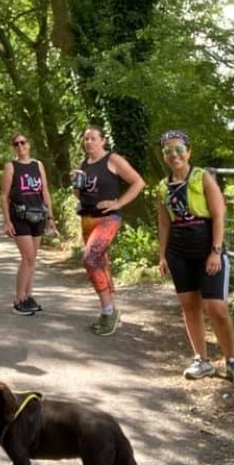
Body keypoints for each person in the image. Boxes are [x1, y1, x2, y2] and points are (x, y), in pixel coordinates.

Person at [156, 129, 234, 383]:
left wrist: (216, 251)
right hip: (179, 253)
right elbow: (164, 224)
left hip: (207, 250)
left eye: (178, 149)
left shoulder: (202, 177)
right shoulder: (163, 187)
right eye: (168, 150)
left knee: (216, 308)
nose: (173, 155)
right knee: (190, 307)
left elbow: (219, 214)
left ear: (188, 152)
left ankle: (232, 360)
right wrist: (162, 256)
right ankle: (201, 359)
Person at [71, 125, 145, 336]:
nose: (89, 142)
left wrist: (119, 203)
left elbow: (138, 182)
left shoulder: (113, 160)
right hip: (87, 218)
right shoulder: (83, 164)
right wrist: (75, 184)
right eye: (86, 139)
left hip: (108, 218)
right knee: (100, 263)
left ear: (102, 141)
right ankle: (109, 311)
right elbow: (79, 194)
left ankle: (108, 312)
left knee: (90, 258)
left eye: (93, 138)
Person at [0, 132, 55, 315]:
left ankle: (28, 296)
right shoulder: (11, 167)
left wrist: (50, 218)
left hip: (38, 216)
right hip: (20, 218)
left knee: (33, 260)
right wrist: (7, 221)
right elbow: (4, 196)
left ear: (29, 144)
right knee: (28, 258)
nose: (20, 146)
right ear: (13, 147)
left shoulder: (37, 165)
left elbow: (45, 191)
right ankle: (18, 300)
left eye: (23, 142)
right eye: (16, 144)